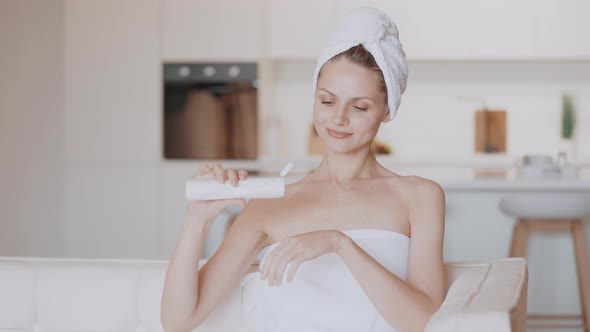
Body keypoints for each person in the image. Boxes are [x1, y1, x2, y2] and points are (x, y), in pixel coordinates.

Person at [161, 7, 445, 332]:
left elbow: (426, 322)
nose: (338, 118)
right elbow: (178, 321)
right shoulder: (270, 203)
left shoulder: (419, 196)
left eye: (359, 106)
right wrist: (197, 220)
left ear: (387, 110)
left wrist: (339, 244)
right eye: (327, 101)